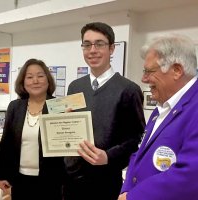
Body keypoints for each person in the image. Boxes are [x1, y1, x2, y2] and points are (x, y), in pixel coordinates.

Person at [62, 22, 145, 200]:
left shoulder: (128, 90)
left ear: (112, 48)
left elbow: (135, 139)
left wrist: (108, 156)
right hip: (71, 180)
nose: (92, 50)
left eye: (99, 44)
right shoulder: (75, 86)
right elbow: (69, 126)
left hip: (105, 181)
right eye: (87, 44)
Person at [118, 34, 198, 200]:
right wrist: (126, 191)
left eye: (149, 71)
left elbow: (190, 175)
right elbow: (139, 153)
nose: (143, 79)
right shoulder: (163, 104)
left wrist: (133, 197)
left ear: (176, 70)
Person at [0, 58, 65, 200]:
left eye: (40, 76)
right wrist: (2, 175)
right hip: (19, 180)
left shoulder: (59, 106)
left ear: (48, 80)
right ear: (23, 82)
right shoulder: (15, 107)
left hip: (52, 181)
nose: (35, 81)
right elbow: (6, 145)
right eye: (29, 77)